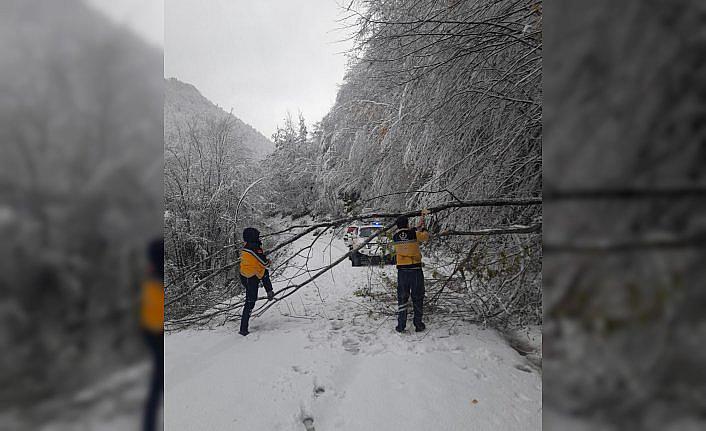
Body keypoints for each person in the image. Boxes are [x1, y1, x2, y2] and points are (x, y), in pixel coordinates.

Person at [391, 212, 430, 332]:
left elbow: (406, 234)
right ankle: (418, 324)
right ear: (407, 224)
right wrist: (423, 227)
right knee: (417, 297)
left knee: (402, 297)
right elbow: (425, 237)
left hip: (402, 272)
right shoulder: (414, 233)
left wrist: (415, 228)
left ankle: (401, 325)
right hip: (415, 270)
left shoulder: (395, 236)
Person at [140, 237, 164, 431]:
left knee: (156, 386)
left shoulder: (152, 277)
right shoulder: (157, 281)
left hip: (151, 334)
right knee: (156, 386)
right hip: (156, 337)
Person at [239, 227, 275, 336]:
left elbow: (258, 261)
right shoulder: (254, 248)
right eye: (257, 235)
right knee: (250, 302)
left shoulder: (247, 246)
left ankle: (269, 291)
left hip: (245, 274)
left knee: (264, 273)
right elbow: (264, 263)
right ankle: (243, 329)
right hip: (251, 277)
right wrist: (268, 261)